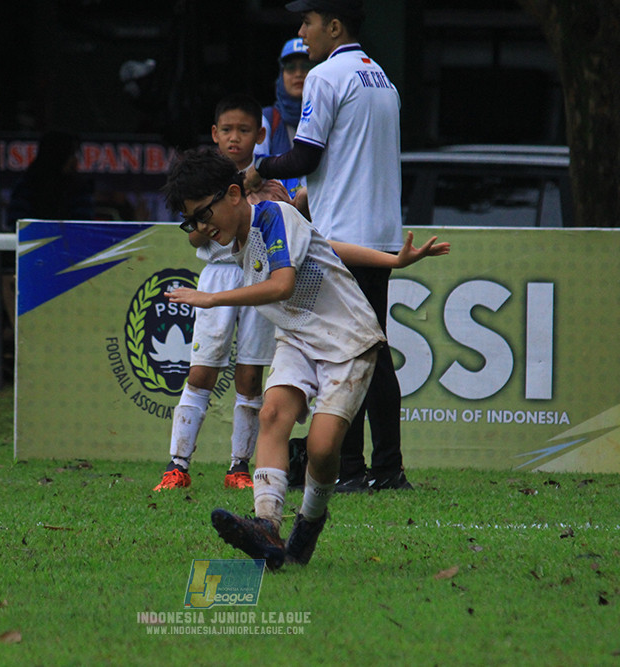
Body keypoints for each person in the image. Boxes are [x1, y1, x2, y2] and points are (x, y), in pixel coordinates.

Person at [162, 149, 448, 568]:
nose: (202, 228)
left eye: (204, 214)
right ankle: (266, 524)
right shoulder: (240, 237)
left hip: (348, 338)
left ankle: (310, 521)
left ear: (234, 194)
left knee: (323, 446)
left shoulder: (273, 216)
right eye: (192, 221)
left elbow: (282, 285)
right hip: (297, 337)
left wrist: (212, 298)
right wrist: (391, 260)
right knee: (272, 414)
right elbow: (324, 245)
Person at [246, 0, 410, 492]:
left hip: (344, 239)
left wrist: (260, 168)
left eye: (308, 22)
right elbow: (347, 160)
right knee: (368, 350)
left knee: (355, 354)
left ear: (334, 27)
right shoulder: (381, 78)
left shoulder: (325, 76)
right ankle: (373, 468)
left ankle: (366, 469)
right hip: (377, 232)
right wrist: (307, 196)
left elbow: (306, 155)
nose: (302, 32)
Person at [153, 94, 285, 492]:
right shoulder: (203, 180)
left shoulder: (270, 182)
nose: (234, 138)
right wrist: (208, 220)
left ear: (259, 135)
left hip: (259, 278)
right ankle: (177, 465)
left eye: (244, 130)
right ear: (214, 133)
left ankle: (239, 467)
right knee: (201, 371)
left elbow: (287, 222)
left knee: (250, 375)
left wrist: (275, 198)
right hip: (219, 277)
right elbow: (195, 236)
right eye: (227, 130)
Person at [258, 38, 312, 213]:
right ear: (281, 75)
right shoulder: (267, 119)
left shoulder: (329, 117)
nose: (298, 74)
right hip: (277, 216)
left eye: (306, 67)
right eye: (290, 68)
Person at [6, 130, 94, 227]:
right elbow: (17, 224)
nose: (75, 160)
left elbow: (82, 225)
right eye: (71, 154)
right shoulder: (27, 186)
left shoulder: (79, 188)